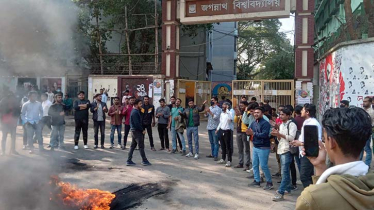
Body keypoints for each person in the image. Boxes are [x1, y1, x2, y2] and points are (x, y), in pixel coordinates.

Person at [296, 107, 374, 210]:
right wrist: (320, 167)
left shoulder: (311, 199)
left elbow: (321, 196)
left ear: (332, 142)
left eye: (325, 138)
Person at [291, 104, 322, 188]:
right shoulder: (307, 121)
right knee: (308, 175)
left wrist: (300, 143)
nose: (301, 111)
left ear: (307, 112)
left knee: (304, 176)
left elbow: (314, 142)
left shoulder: (312, 123)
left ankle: (310, 195)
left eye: (303, 110)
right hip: (304, 152)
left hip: (309, 153)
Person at [271, 108, 297, 201]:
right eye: (280, 115)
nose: (280, 116)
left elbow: (291, 138)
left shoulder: (292, 124)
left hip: (287, 150)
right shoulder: (281, 125)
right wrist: (277, 134)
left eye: (282, 115)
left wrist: (279, 134)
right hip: (281, 149)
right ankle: (288, 188)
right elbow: (280, 139)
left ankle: (281, 192)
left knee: (284, 172)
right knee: (285, 170)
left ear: (288, 115)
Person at [248, 106, 273, 190]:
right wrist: (248, 132)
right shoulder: (254, 122)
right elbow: (249, 130)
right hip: (255, 146)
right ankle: (257, 180)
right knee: (254, 164)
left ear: (262, 114)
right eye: (255, 112)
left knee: (263, 165)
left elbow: (265, 135)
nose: (256, 114)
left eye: (258, 112)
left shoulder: (265, 123)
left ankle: (269, 182)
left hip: (264, 147)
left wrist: (253, 133)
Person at [126, 99, 151, 166]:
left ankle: (129, 160)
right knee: (141, 146)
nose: (141, 105)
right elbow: (137, 123)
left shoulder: (136, 111)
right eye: (140, 104)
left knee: (133, 146)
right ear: (136, 105)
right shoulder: (135, 112)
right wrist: (142, 130)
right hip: (137, 131)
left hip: (134, 131)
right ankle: (144, 160)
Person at [234, 101, 251, 170]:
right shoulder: (240, 112)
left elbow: (246, 122)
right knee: (240, 149)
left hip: (245, 132)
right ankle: (240, 162)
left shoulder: (248, 113)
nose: (241, 107)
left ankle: (247, 164)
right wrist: (236, 115)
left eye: (242, 105)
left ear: (246, 106)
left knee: (246, 149)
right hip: (238, 131)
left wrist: (241, 115)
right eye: (240, 105)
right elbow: (235, 121)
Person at [216, 102, 234, 167]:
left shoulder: (230, 113)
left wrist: (227, 111)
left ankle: (229, 160)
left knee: (228, 146)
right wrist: (218, 129)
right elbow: (221, 122)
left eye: (224, 106)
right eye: (222, 106)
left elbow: (230, 119)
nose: (222, 107)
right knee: (222, 145)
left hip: (227, 131)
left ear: (227, 106)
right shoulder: (222, 114)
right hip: (221, 130)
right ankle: (223, 158)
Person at [205, 96, 222, 161]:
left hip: (215, 127)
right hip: (209, 126)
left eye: (213, 100)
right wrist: (206, 112)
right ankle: (212, 153)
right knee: (211, 141)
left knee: (215, 142)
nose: (211, 101)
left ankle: (215, 155)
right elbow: (206, 116)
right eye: (211, 100)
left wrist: (210, 112)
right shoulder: (210, 107)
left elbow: (216, 117)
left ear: (216, 101)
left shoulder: (218, 109)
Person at [360, 96, 374, 167]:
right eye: (363, 101)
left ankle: (367, 165)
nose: (364, 103)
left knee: (367, 148)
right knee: (360, 147)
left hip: (366, 131)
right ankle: (359, 163)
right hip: (360, 131)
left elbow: (369, 122)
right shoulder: (362, 110)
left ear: (370, 102)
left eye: (366, 101)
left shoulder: (371, 112)